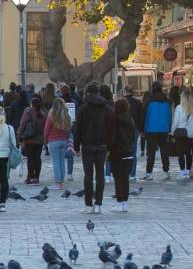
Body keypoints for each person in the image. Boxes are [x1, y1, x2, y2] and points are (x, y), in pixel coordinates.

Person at [72, 83, 114, 214]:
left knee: (88, 176)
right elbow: (111, 131)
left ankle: (88, 205)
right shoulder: (107, 109)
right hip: (102, 146)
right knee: (100, 176)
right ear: (98, 93)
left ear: (88, 93)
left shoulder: (83, 109)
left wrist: (76, 146)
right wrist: (109, 147)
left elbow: (77, 129)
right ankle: (99, 204)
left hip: (87, 146)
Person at [109, 97, 136, 213]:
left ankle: (119, 202)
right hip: (129, 152)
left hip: (117, 153)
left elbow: (113, 137)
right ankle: (124, 203)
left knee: (118, 179)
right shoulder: (130, 119)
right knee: (125, 179)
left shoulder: (115, 120)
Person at [141, 81, 171, 180]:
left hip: (151, 129)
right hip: (164, 129)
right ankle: (166, 171)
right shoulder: (167, 101)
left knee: (151, 152)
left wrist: (143, 130)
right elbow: (170, 116)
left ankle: (149, 173)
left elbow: (144, 116)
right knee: (164, 151)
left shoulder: (149, 101)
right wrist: (169, 127)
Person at [17, 96, 46, 185]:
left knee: (31, 159)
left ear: (32, 104)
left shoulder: (28, 112)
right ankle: (36, 177)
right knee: (37, 158)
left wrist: (19, 136)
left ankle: (30, 176)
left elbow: (22, 124)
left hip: (30, 140)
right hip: (40, 140)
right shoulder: (43, 114)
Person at [43, 98, 72, 189]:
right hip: (63, 140)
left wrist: (45, 140)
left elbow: (46, 129)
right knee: (62, 161)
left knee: (56, 162)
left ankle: (58, 183)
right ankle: (61, 182)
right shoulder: (66, 115)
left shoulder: (52, 115)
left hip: (53, 140)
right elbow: (69, 130)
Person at [170, 88, 193, 179]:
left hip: (179, 133)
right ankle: (187, 171)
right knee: (188, 153)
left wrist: (172, 131)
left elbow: (175, 121)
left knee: (180, 153)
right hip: (189, 133)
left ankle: (182, 172)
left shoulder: (179, 107)